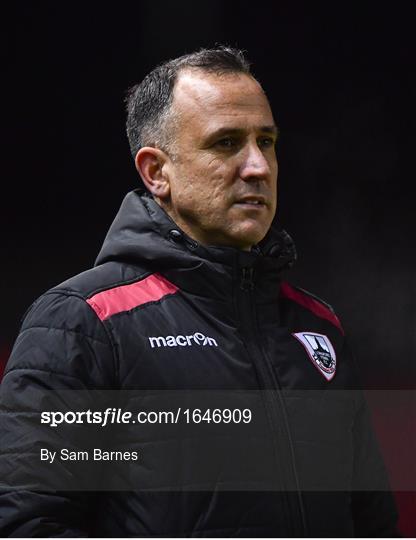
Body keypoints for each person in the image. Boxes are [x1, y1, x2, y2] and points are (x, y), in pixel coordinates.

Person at [0, 47, 398, 537]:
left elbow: (373, 525)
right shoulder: (84, 324)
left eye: (266, 141)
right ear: (156, 172)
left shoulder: (319, 327)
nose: (258, 166)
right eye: (227, 142)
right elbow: (31, 526)